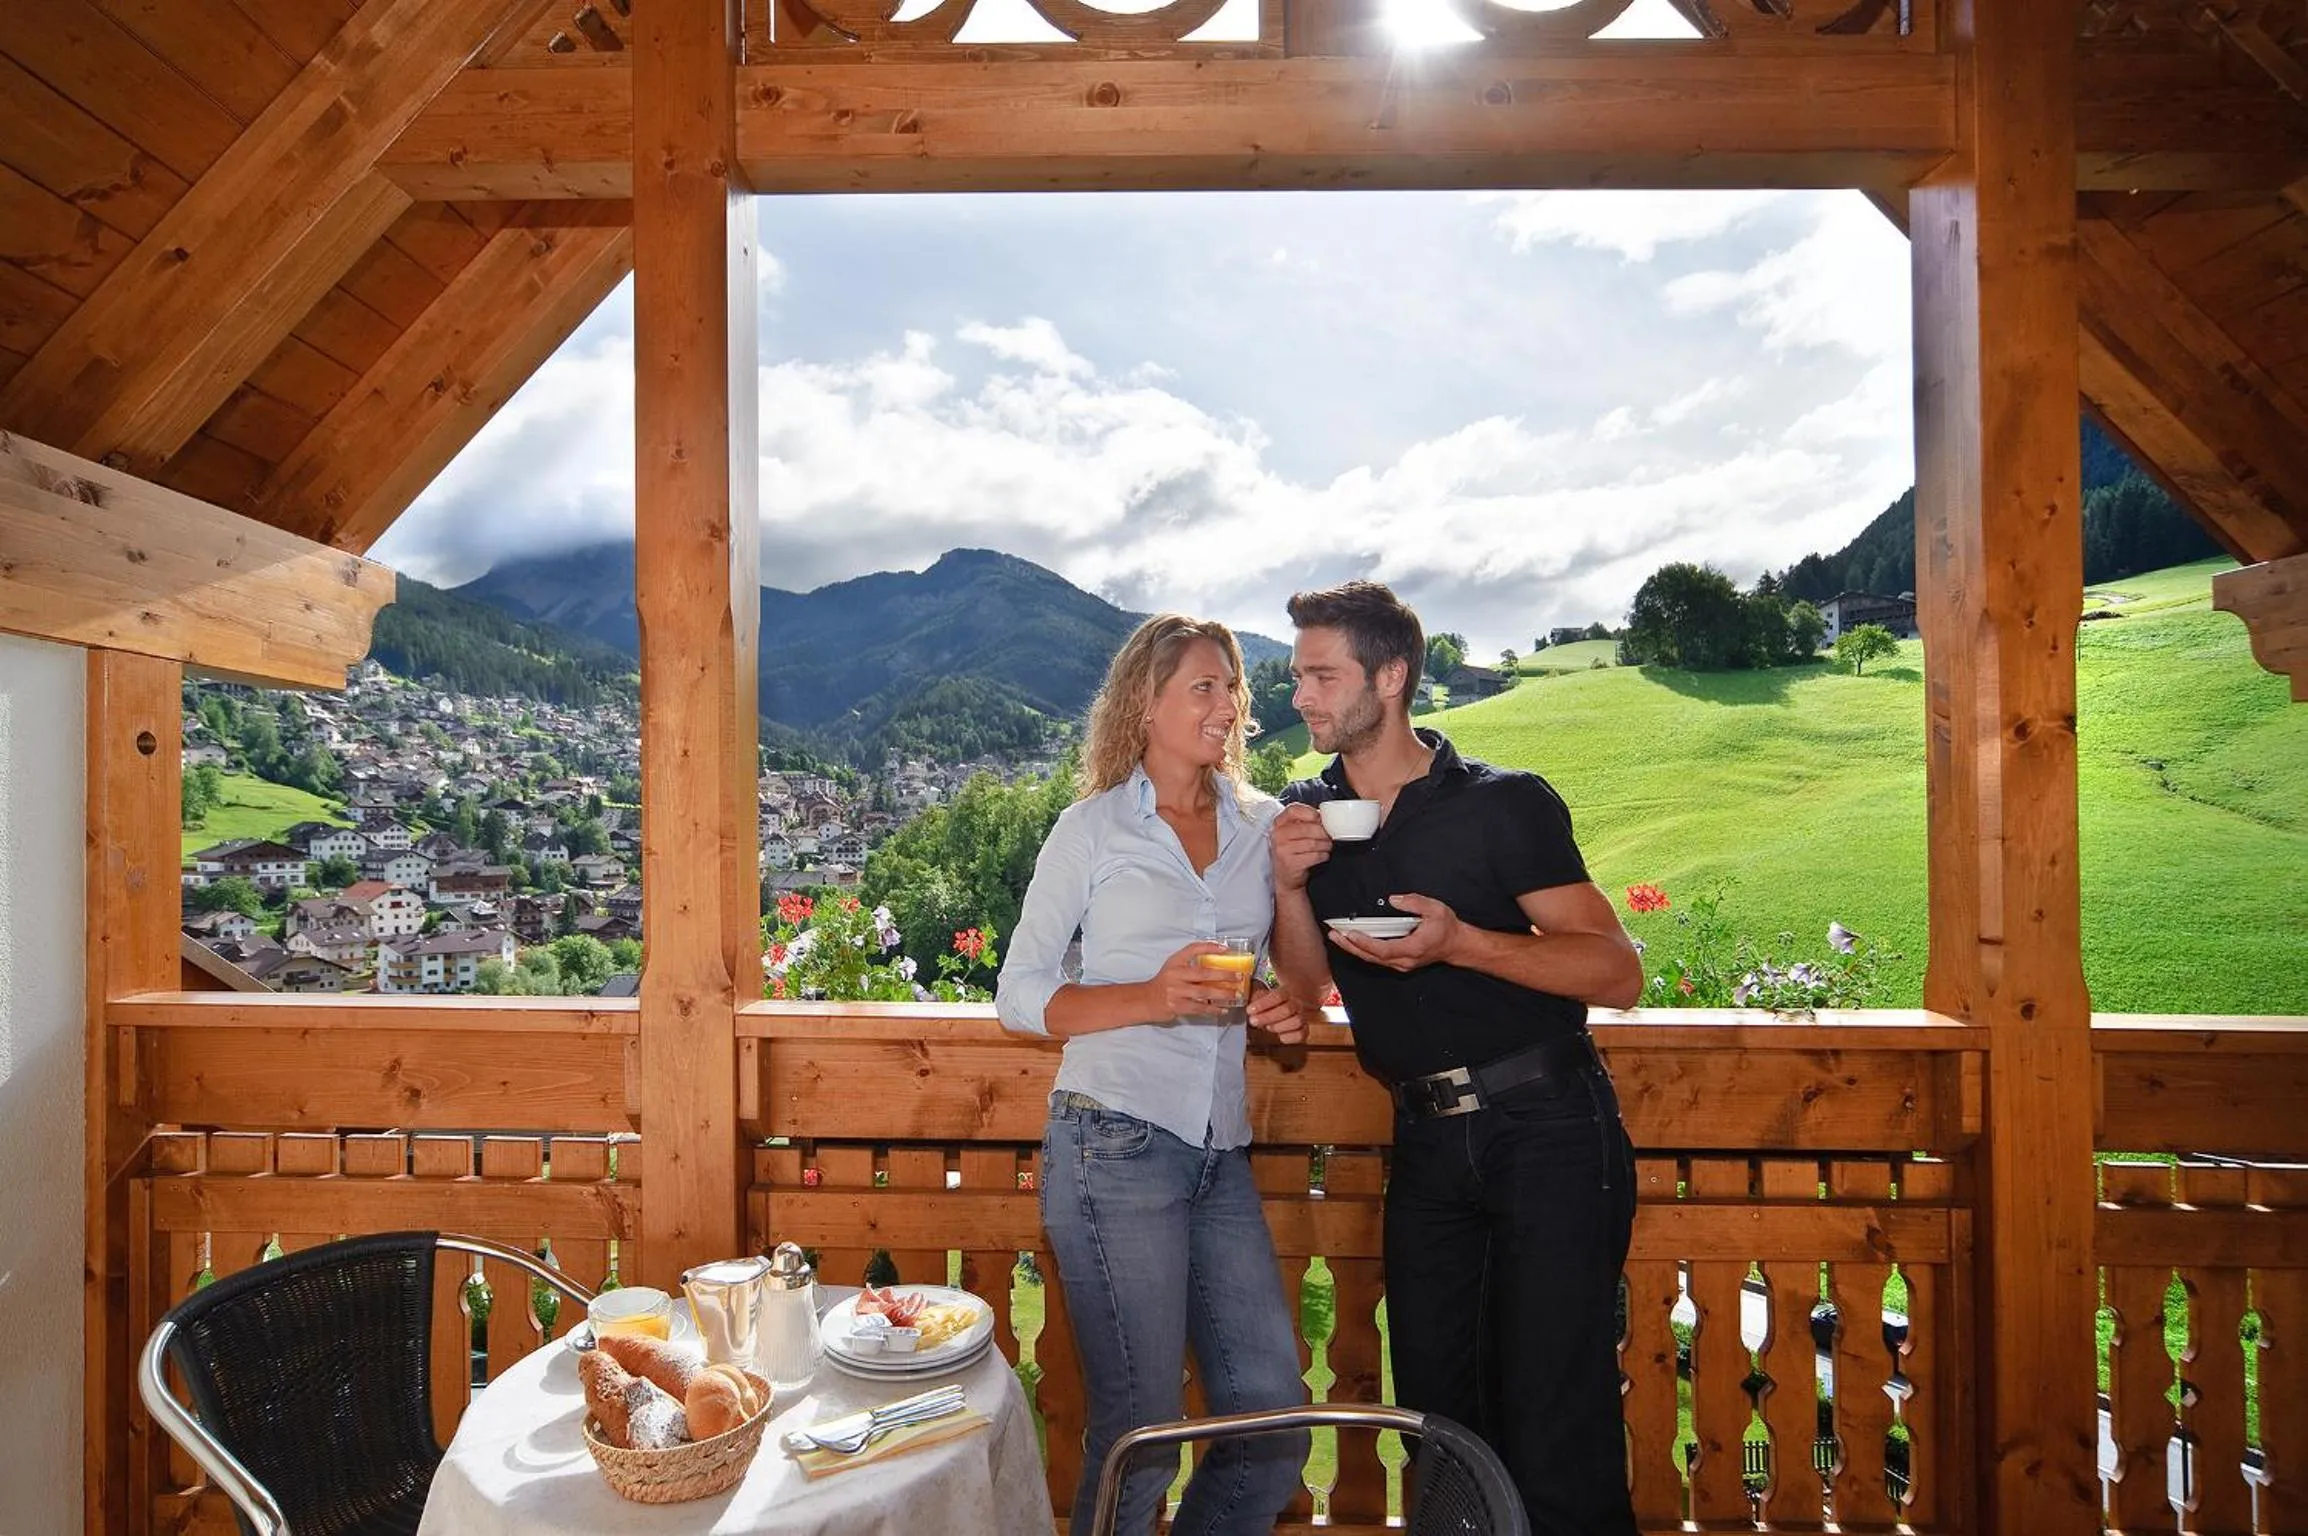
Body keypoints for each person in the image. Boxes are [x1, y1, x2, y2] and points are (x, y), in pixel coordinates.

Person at [1266, 582, 1646, 1536]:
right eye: (1297, 676)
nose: (1301, 697)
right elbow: (1309, 991)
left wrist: (1461, 943)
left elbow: (1616, 968)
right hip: (1428, 1145)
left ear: (1389, 678)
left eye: (1321, 675)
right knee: (1436, 1413)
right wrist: (1284, 883)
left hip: (1549, 1129)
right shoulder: (1311, 814)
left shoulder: (1503, 805)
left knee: (1558, 1410)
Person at [997, 613, 1312, 1536]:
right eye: (1203, 687)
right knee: (1140, 1434)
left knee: (1274, 1422)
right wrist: (1151, 995)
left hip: (1220, 1152)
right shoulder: (1091, 829)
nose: (1227, 706)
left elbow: (1293, 982)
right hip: (1111, 1142)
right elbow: (1019, 993)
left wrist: (1279, 995)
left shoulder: (1262, 829)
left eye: (1232, 688)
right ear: (1146, 703)